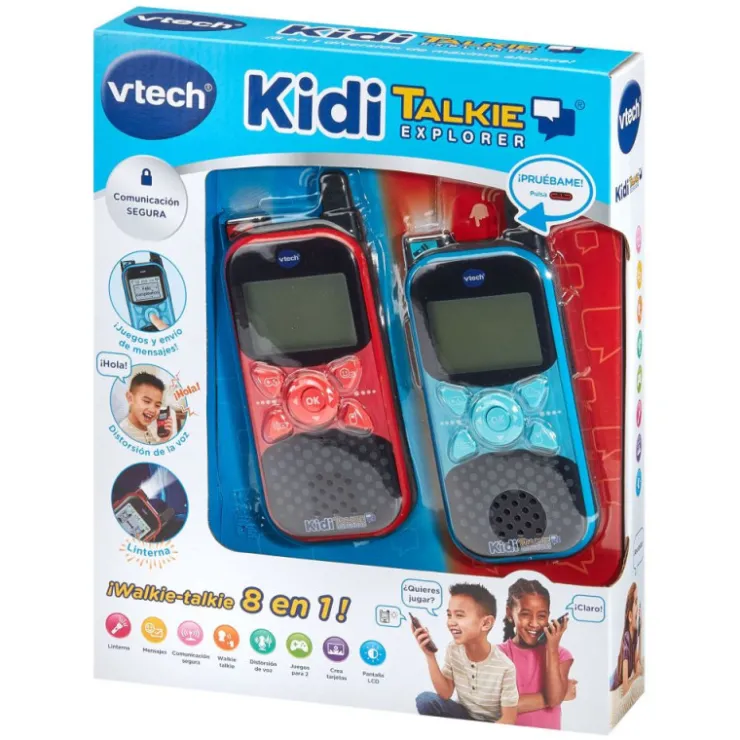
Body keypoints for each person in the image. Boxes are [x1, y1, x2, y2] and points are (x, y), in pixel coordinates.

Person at [412, 583, 518, 724]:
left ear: (486, 623)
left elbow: (509, 719)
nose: (451, 622)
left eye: (459, 615)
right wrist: (430, 656)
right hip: (463, 716)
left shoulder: (505, 667)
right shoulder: (453, 649)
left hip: (491, 725)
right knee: (425, 700)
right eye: (449, 615)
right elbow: (445, 693)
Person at [498, 578, 575, 730]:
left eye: (541, 616)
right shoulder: (498, 654)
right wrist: (558, 695)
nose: (534, 623)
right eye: (525, 614)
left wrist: (551, 649)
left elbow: (554, 699)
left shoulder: (561, 655)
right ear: (509, 613)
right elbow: (497, 706)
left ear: (548, 616)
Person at [118, 371, 174, 444]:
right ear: (130, 398)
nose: (152, 410)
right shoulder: (123, 433)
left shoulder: (150, 430)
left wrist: (163, 440)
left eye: (157, 405)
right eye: (147, 401)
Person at [610, 582, 642, 695]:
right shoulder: (626, 641)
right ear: (630, 616)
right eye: (636, 602)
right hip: (612, 683)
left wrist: (641, 630)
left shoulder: (635, 634)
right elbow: (625, 688)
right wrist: (636, 675)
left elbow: (637, 661)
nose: (639, 608)